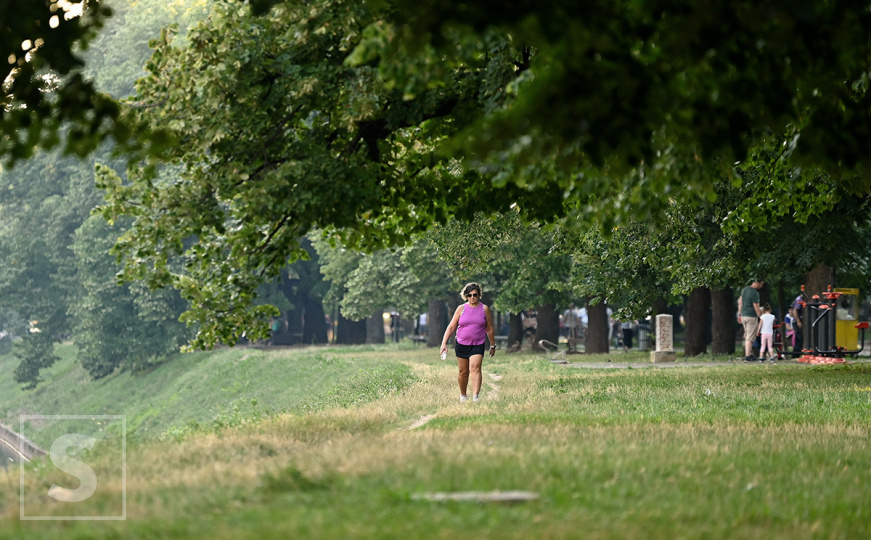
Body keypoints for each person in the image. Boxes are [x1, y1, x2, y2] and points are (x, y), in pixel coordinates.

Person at [440, 282, 496, 403]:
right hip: (461, 344)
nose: (472, 298)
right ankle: (463, 395)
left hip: (478, 343)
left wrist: (492, 345)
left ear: (479, 295)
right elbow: (451, 327)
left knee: (475, 368)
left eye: (474, 295)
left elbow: (489, 328)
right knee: (463, 372)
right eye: (469, 295)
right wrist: (443, 343)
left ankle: (475, 396)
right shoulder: (461, 308)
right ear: (466, 296)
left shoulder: (484, 309)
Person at [737, 278, 764, 362]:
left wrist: (739, 314)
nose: (761, 286)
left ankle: (750, 354)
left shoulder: (744, 290)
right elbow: (756, 307)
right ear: (757, 283)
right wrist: (761, 316)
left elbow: (740, 302)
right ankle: (747, 356)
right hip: (751, 316)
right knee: (750, 337)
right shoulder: (755, 293)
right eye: (761, 284)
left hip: (744, 316)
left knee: (748, 335)